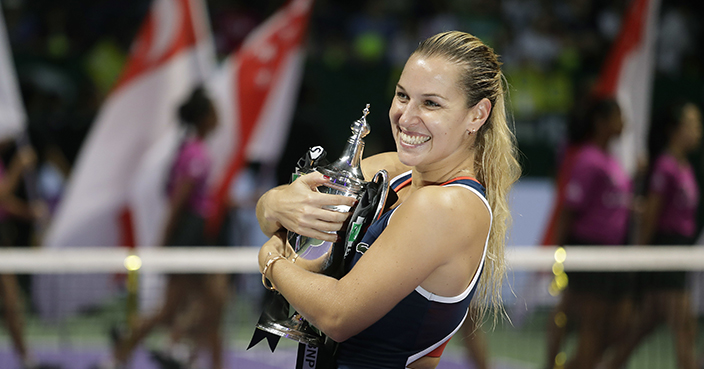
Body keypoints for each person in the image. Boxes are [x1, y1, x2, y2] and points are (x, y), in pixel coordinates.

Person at [255, 30, 521, 368]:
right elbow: (290, 231)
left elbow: (337, 315)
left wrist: (270, 262)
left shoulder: (444, 206)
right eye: (402, 95)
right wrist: (275, 203)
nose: (406, 117)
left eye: (431, 103)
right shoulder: (391, 170)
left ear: (477, 115)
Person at [101, 87, 228, 369]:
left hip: (199, 238)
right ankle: (120, 354)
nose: (221, 116)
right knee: (172, 310)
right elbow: (178, 203)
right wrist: (164, 242)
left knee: (215, 304)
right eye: (215, 111)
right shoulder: (194, 152)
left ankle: (196, 356)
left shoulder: (196, 149)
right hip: (188, 238)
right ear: (204, 117)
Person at [604, 101, 702, 369]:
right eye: (692, 125)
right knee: (685, 329)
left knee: (639, 331)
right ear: (675, 130)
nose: (698, 131)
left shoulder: (685, 167)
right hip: (664, 258)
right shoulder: (665, 167)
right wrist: (640, 261)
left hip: (680, 256)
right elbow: (650, 218)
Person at [544, 98, 634, 369]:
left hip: (612, 255)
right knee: (584, 321)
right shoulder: (588, 160)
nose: (624, 123)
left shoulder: (613, 159)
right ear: (601, 122)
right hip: (587, 251)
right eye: (618, 116)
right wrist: (558, 256)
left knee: (614, 323)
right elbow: (569, 210)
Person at [0, 141, 56, 369]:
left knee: (12, 302)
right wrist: (18, 166)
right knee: (11, 300)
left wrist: (29, 213)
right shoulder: (11, 163)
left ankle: (26, 358)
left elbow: (5, 204)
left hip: (2, 240)